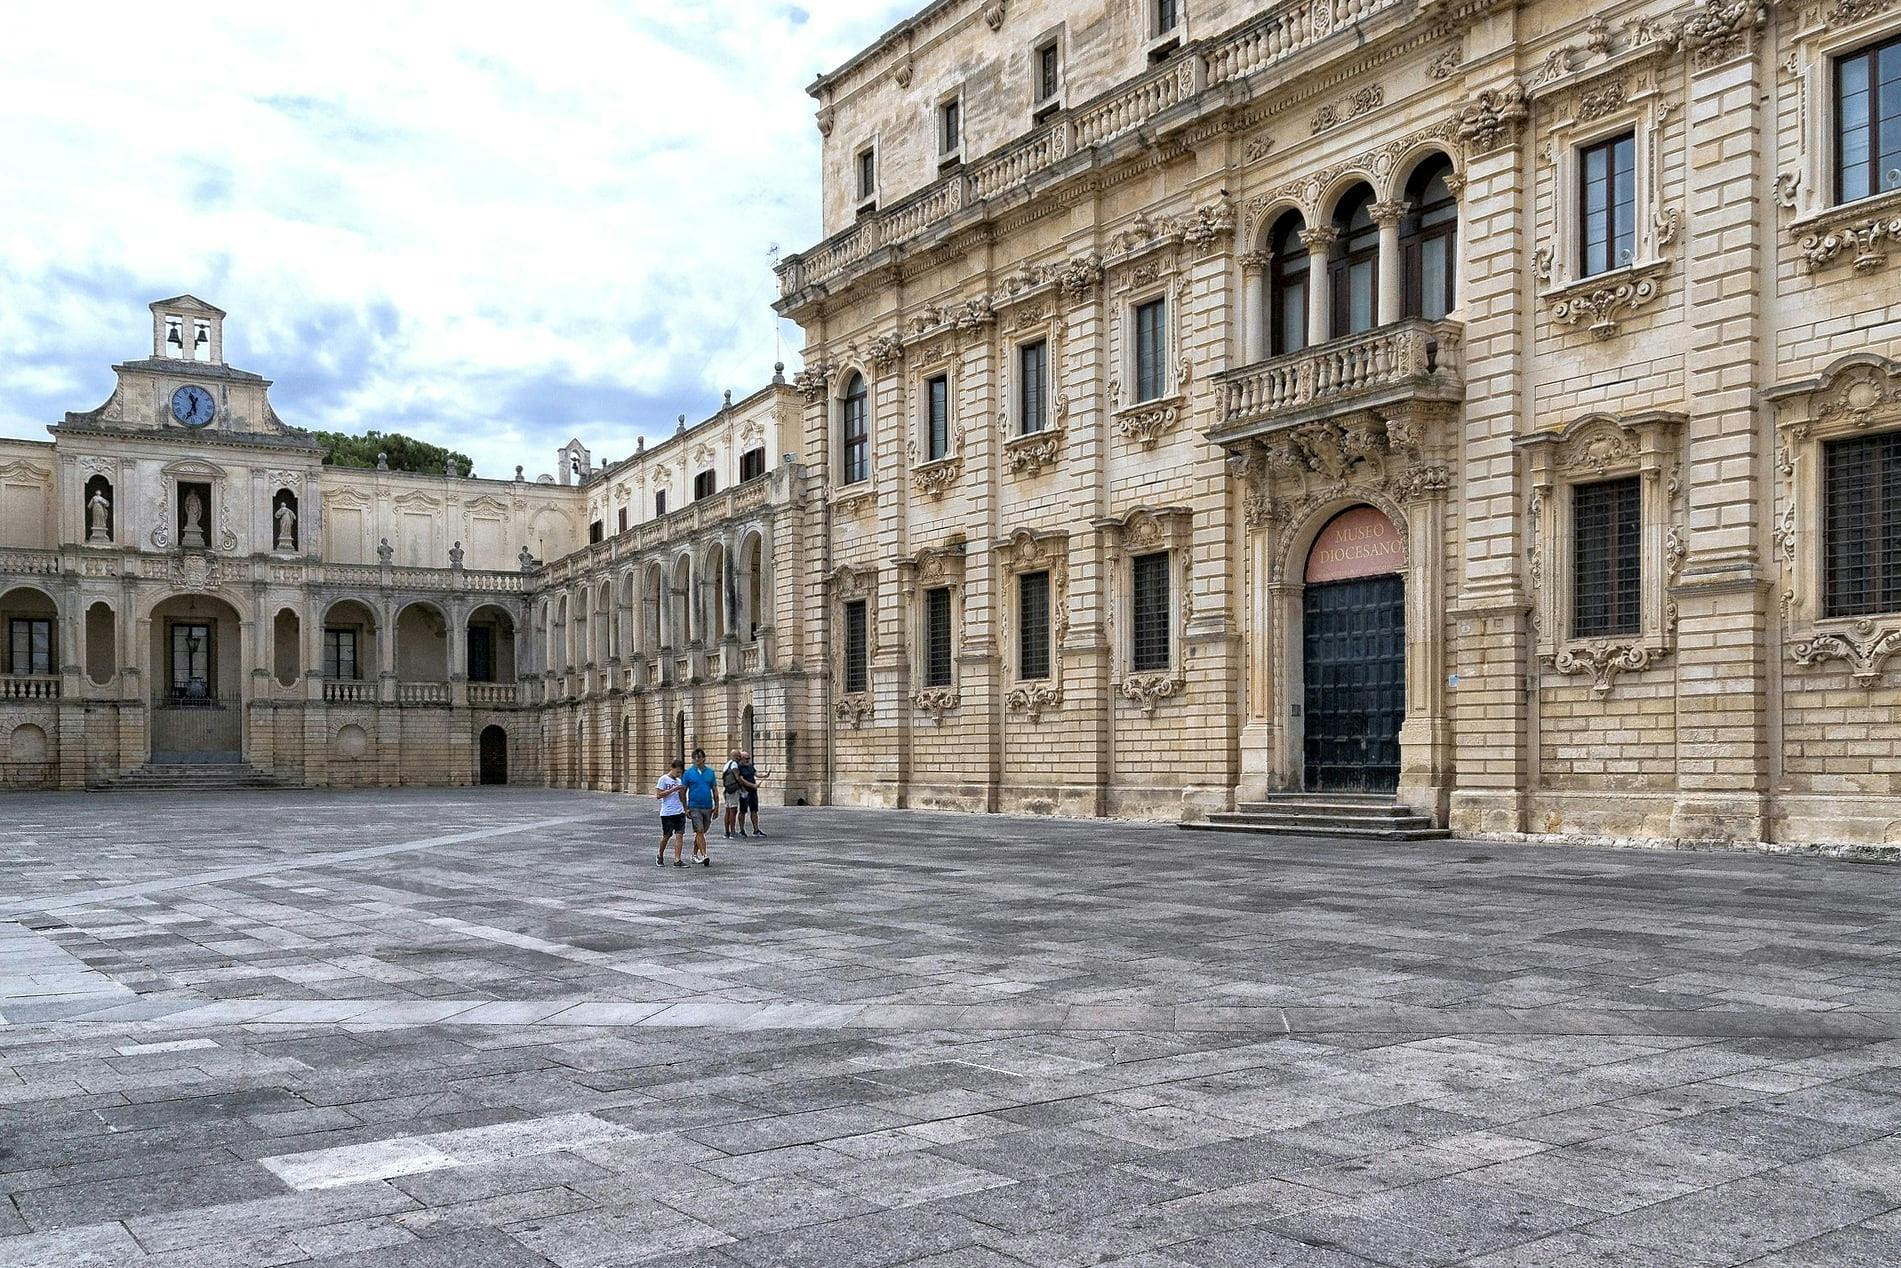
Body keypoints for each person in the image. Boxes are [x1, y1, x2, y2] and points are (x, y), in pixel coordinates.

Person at [679, 747, 720, 867]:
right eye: (695, 758)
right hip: (694, 806)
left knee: (701, 832)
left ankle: (694, 854)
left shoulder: (710, 773)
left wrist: (716, 806)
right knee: (699, 830)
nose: (697, 760)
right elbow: (683, 791)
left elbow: (715, 790)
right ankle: (704, 855)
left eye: (699, 757)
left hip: (707, 806)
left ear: (703, 759)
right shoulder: (688, 773)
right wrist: (685, 807)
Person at [655, 757, 688, 867]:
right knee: (667, 835)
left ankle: (677, 859)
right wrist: (672, 789)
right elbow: (658, 795)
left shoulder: (679, 781)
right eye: (677, 771)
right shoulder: (663, 779)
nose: (678, 774)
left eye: (680, 772)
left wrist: (685, 807)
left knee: (679, 835)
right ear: (672, 768)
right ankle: (660, 854)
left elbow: (682, 796)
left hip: (679, 811)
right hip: (667, 813)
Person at [736, 750, 764, 837]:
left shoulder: (750, 766)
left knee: (754, 810)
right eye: (746, 758)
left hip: (753, 792)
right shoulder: (739, 768)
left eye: (749, 758)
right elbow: (742, 780)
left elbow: (756, 773)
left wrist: (764, 775)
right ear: (741, 759)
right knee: (743, 811)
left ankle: (756, 830)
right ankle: (742, 830)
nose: (748, 760)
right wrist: (753, 785)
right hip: (744, 792)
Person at [721, 748, 742, 838]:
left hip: (726, 789)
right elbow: (737, 777)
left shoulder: (727, 764)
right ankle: (733, 832)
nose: (740, 757)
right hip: (733, 790)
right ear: (735, 756)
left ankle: (727, 832)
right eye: (739, 756)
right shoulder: (734, 765)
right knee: (733, 811)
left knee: (727, 811)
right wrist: (743, 786)